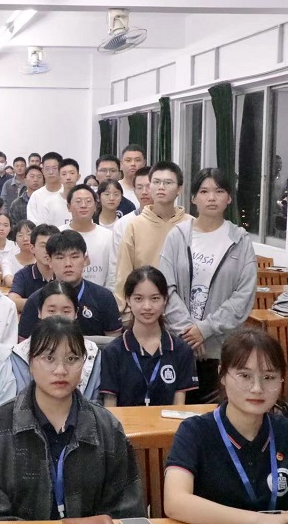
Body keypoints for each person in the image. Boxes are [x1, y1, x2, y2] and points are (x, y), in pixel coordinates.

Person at [0, 315, 144, 521]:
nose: (61, 370)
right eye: (49, 359)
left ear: (84, 363)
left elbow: (127, 511)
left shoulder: (107, 428)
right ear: (30, 362)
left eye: (72, 359)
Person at [164, 328, 288, 523]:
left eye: (269, 377)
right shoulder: (195, 431)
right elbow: (175, 502)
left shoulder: (284, 430)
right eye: (245, 376)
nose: (257, 388)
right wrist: (259, 521)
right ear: (222, 375)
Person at [160, 167, 256, 403]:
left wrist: (205, 329)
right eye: (204, 191)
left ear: (229, 198)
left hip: (221, 349)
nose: (212, 197)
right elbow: (165, 288)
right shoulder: (177, 236)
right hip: (179, 345)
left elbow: (243, 296)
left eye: (219, 191)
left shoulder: (240, 240)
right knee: (175, 414)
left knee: (216, 415)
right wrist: (189, 332)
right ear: (193, 198)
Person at [100, 266, 197, 407]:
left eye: (155, 298)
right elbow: (110, 407)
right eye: (139, 299)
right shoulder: (113, 352)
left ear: (165, 300)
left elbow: (179, 407)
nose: (147, 306)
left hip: (167, 422)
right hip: (124, 422)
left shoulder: (181, 350)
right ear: (128, 300)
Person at [115, 161, 193, 308]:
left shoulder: (191, 225)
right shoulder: (134, 225)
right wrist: (125, 311)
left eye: (168, 182)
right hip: (144, 309)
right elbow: (123, 275)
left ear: (180, 189)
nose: (161, 187)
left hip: (184, 309)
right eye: (156, 182)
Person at [19, 230, 122, 340]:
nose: (68, 264)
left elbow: (113, 342)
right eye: (60, 258)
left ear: (85, 260)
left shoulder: (103, 297)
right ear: (49, 261)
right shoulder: (36, 300)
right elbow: (24, 344)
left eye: (74, 257)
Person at [9, 281, 103, 399]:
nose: (58, 317)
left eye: (66, 312)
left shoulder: (92, 353)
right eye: (52, 311)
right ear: (39, 312)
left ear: (76, 313)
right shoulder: (19, 354)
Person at [63, 184, 114, 288]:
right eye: (78, 201)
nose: (83, 205)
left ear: (95, 206)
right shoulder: (59, 234)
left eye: (88, 201)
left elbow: (113, 272)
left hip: (100, 294)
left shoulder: (108, 236)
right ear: (68, 207)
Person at [7, 223, 58, 311]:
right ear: (32, 248)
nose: (47, 251)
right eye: (43, 245)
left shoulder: (64, 272)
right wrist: (46, 304)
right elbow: (12, 301)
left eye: (51, 245)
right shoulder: (23, 275)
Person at [26, 152, 69, 227]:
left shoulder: (68, 193)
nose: (51, 172)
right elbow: (32, 223)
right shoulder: (36, 196)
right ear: (43, 171)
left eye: (54, 168)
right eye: (47, 169)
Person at [1, 219, 36, 286]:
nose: (25, 239)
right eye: (20, 235)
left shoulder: (41, 259)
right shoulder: (8, 261)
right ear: (15, 240)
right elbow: (8, 281)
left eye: (29, 234)